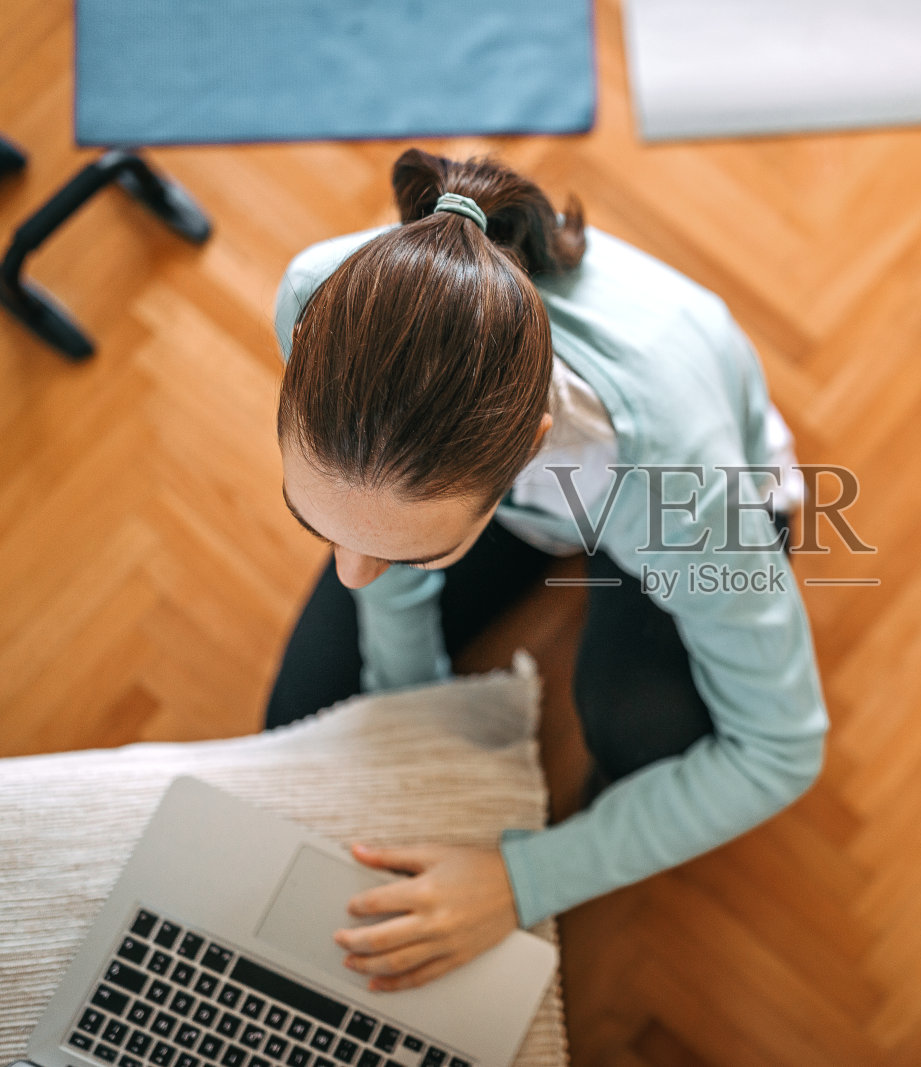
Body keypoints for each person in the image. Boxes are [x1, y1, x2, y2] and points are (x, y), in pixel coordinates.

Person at [264, 149, 830, 992]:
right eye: (313, 517)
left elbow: (781, 750)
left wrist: (522, 879)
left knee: (645, 726)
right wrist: (410, 707)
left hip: (662, 494)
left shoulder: (682, 489)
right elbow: (379, 546)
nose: (355, 575)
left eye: (407, 551)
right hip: (486, 489)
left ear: (530, 447)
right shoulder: (319, 297)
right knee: (308, 719)